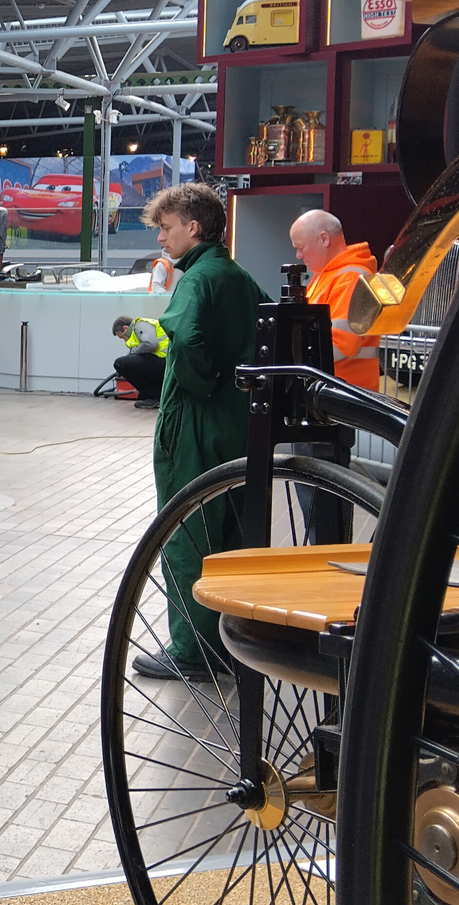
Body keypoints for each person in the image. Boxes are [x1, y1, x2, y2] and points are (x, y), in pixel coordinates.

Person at [131, 183, 267, 683]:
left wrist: (199, 383)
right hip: (238, 421)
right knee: (230, 532)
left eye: (166, 228)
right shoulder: (239, 276)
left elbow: (185, 338)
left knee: (187, 533)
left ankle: (192, 650)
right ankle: (231, 643)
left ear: (193, 227)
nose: (161, 238)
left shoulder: (196, 280)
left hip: (195, 424)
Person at [289, 209, 380, 390]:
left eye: (301, 247)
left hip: (345, 392)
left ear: (324, 239)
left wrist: (292, 351)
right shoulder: (327, 275)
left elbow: (341, 345)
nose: (298, 255)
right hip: (336, 389)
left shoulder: (350, 277)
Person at [112, 315, 168, 410]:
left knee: (120, 364)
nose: (125, 340)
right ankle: (152, 394)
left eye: (123, 337)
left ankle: (155, 396)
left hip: (165, 361)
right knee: (127, 363)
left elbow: (150, 344)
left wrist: (131, 354)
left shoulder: (140, 325)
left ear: (125, 328)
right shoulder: (139, 331)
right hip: (164, 361)